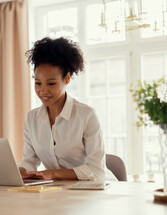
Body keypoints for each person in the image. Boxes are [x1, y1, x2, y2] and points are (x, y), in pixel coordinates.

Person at [18, 37, 117, 182]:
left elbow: (97, 170)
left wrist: (53, 174)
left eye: (51, 84)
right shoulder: (32, 119)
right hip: (61, 191)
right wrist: (18, 172)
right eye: (38, 83)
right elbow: (29, 160)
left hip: (97, 189)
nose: (43, 90)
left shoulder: (86, 115)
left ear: (67, 79)